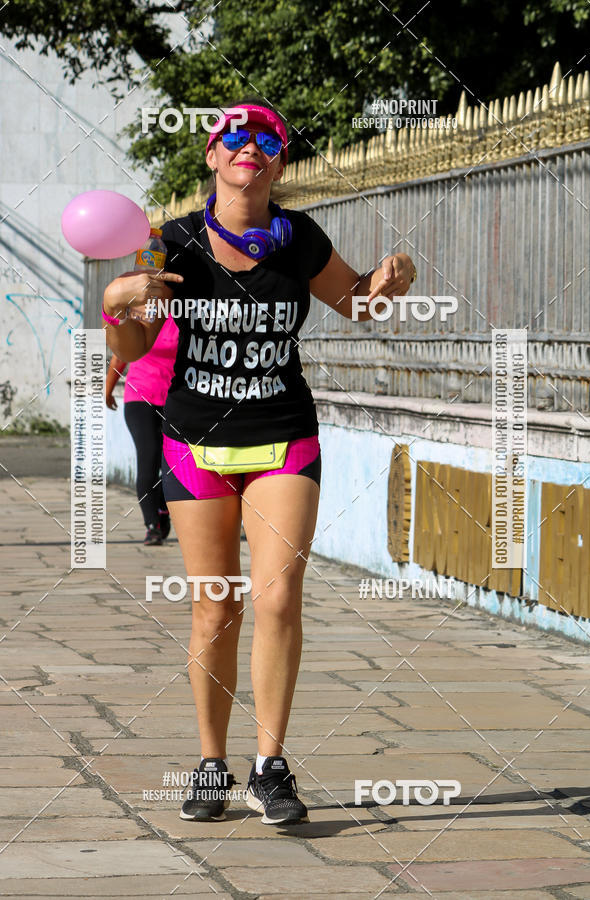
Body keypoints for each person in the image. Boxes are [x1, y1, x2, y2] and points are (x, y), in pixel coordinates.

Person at [102, 99, 415, 826]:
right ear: (212, 157)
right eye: (233, 135)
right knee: (217, 605)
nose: (251, 145)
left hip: (283, 436)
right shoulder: (166, 244)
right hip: (194, 441)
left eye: (267, 137)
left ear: (280, 161)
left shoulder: (298, 238)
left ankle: (269, 767)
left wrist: (391, 281)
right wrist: (119, 305)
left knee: (277, 598)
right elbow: (132, 350)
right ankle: (211, 766)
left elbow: (356, 303)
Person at [105, 315, 179, 545]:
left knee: (174, 466)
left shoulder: (185, 318)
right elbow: (121, 356)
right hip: (140, 398)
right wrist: (107, 392)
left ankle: (164, 510)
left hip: (175, 400)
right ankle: (152, 525)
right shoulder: (140, 319)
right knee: (149, 459)